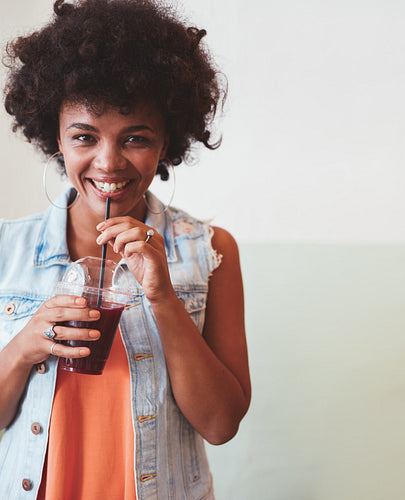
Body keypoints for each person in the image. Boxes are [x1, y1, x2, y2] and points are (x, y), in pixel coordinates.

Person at [0, 0, 251, 498]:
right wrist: (25, 346)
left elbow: (221, 425)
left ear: (165, 145)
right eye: (84, 136)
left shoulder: (209, 251)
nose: (108, 162)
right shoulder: (6, 249)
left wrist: (163, 299)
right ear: (55, 137)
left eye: (135, 137)